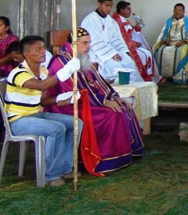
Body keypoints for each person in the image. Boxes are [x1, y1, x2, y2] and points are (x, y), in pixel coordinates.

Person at [46, 28, 144, 174]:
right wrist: (103, 101)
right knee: (111, 114)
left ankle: (126, 154)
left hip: (88, 101)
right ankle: (104, 160)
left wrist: (114, 97)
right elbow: (72, 90)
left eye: (89, 42)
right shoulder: (61, 61)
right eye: (85, 43)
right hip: (68, 105)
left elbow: (98, 81)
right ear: (73, 44)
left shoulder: (82, 58)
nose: (88, 46)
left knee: (124, 107)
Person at [5, 35, 83, 187]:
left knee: (76, 123)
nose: (43, 52)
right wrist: (65, 71)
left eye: (43, 48)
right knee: (57, 129)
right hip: (18, 121)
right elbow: (41, 86)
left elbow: (43, 100)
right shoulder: (18, 73)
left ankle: (64, 167)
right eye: (38, 49)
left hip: (36, 115)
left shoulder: (43, 71)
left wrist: (61, 98)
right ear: (27, 54)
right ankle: (50, 175)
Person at [80, 0, 143, 83]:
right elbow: (94, 41)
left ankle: (134, 88)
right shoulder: (90, 20)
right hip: (97, 53)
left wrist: (125, 51)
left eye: (111, 6)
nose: (109, 8)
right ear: (99, 4)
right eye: (106, 5)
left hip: (112, 51)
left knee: (129, 62)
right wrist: (110, 53)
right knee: (114, 66)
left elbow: (117, 39)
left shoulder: (111, 21)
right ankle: (119, 89)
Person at [112, 1, 157, 82]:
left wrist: (137, 27)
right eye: (128, 9)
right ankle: (143, 78)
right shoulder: (116, 22)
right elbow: (120, 38)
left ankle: (148, 78)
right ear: (122, 10)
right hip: (124, 47)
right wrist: (135, 43)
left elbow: (131, 34)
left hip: (130, 45)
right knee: (144, 55)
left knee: (147, 53)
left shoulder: (125, 20)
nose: (130, 11)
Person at [153, 3, 188, 82]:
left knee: (181, 52)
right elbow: (163, 34)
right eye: (176, 10)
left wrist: (183, 42)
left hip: (182, 44)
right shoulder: (169, 21)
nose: (178, 12)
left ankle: (178, 76)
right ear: (173, 11)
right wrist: (165, 41)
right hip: (169, 43)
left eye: (180, 10)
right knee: (159, 51)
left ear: (184, 12)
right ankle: (163, 75)